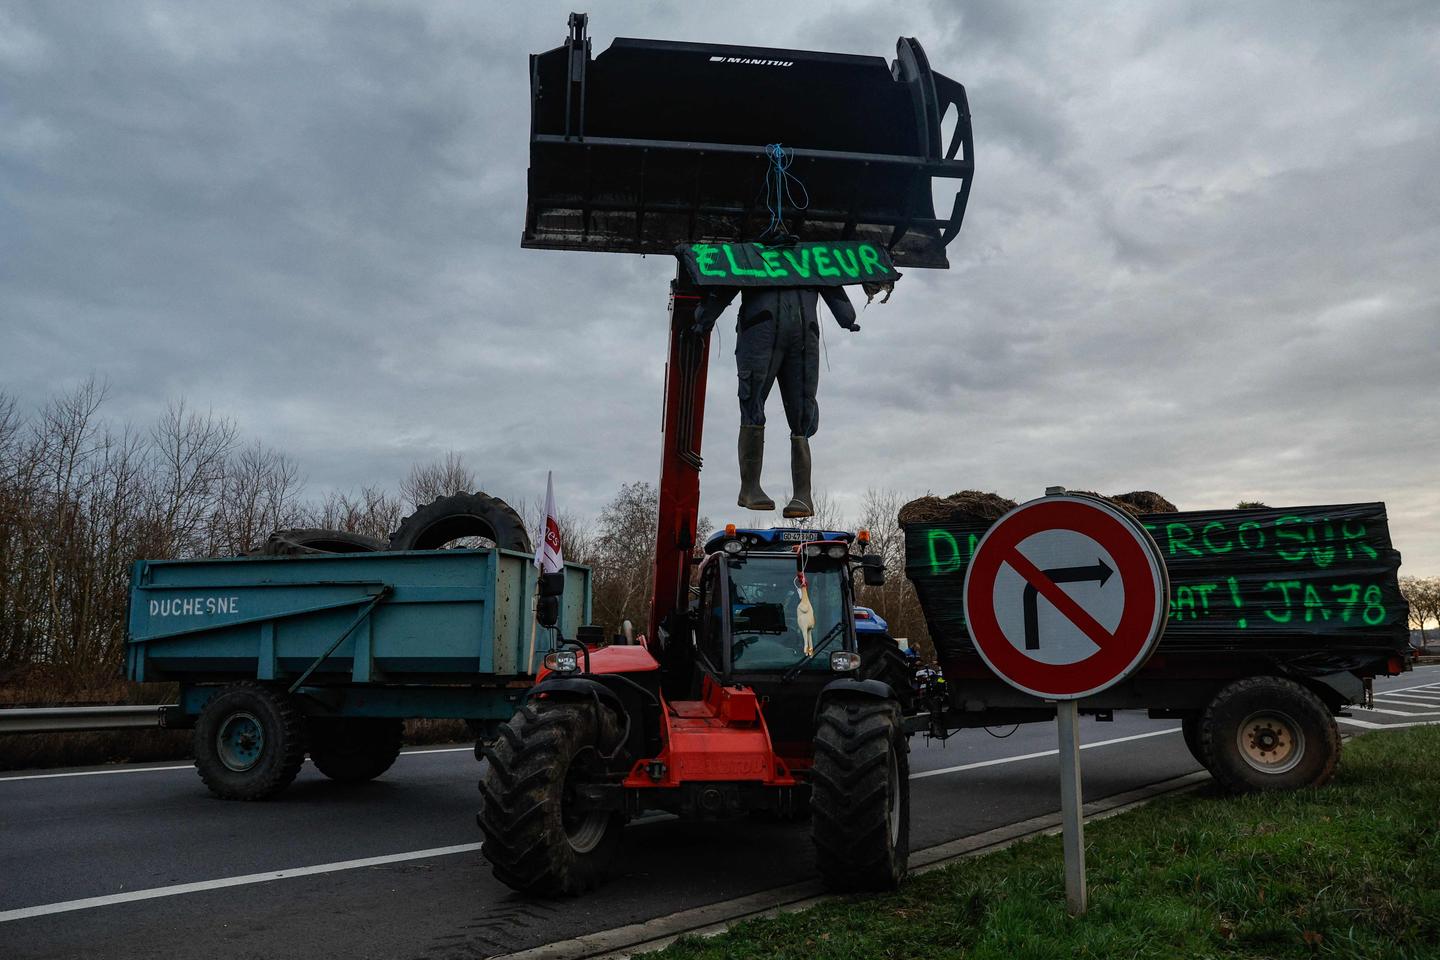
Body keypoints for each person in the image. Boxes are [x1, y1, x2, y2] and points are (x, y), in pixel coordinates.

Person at [693, 285, 859, 518]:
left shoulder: (810, 253)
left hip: (802, 335)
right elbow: (731, 274)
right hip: (761, 328)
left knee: (802, 407)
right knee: (753, 400)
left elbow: (829, 277)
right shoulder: (754, 252)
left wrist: (846, 316)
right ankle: (749, 487)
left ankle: (803, 493)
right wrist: (705, 316)